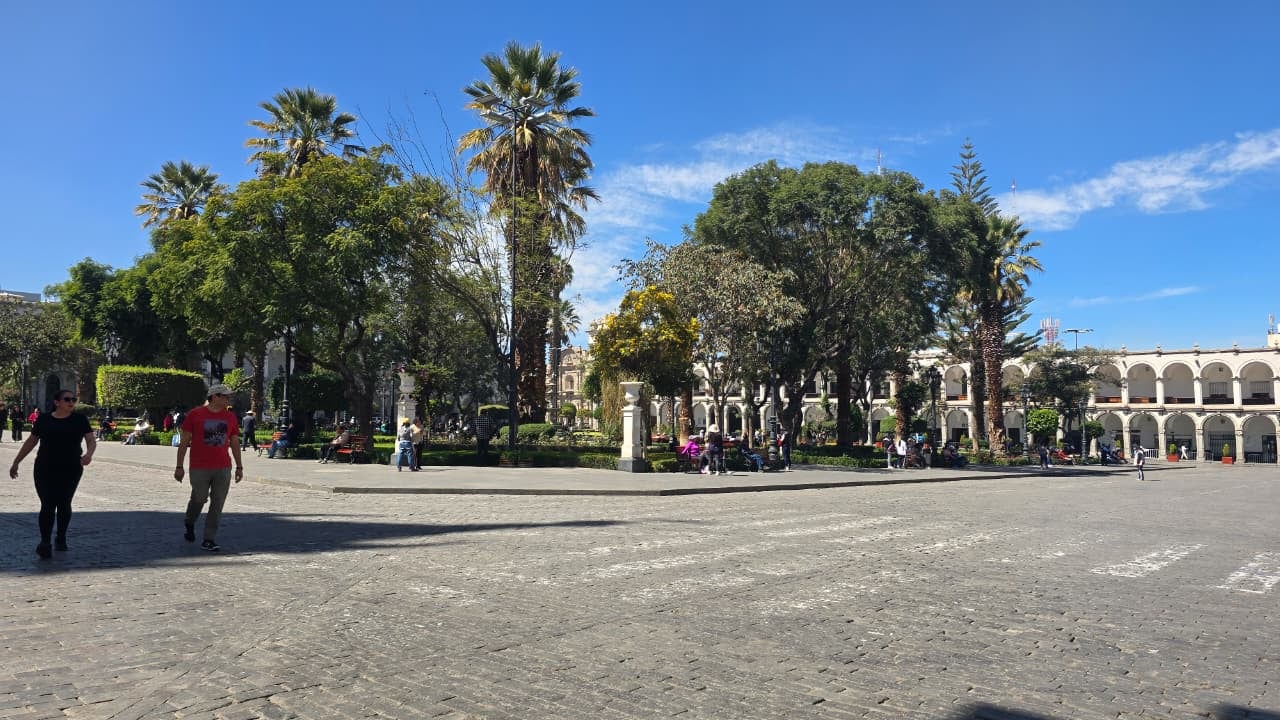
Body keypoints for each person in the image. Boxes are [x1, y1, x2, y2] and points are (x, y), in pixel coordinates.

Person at [8, 390, 95, 559]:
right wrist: (16, 461)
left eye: (73, 399)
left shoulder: (79, 420)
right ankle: (45, 542)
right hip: (44, 467)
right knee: (47, 503)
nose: (71, 402)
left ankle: (61, 537)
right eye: (67, 399)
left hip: (71, 468)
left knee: (63, 503)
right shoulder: (44, 419)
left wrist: (89, 454)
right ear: (57, 402)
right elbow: (31, 441)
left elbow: (90, 440)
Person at [175, 384, 242, 552]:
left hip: (223, 466)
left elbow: (234, 442)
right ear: (215, 397)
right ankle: (190, 521)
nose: (228, 399)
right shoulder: (195, 415)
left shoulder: (230, 417)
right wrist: (179, 466)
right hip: (199, 467)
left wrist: (239, 466)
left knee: (217, 503)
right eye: (225, 396)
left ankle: (209, 539)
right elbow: (184, 442)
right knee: (199, 498)